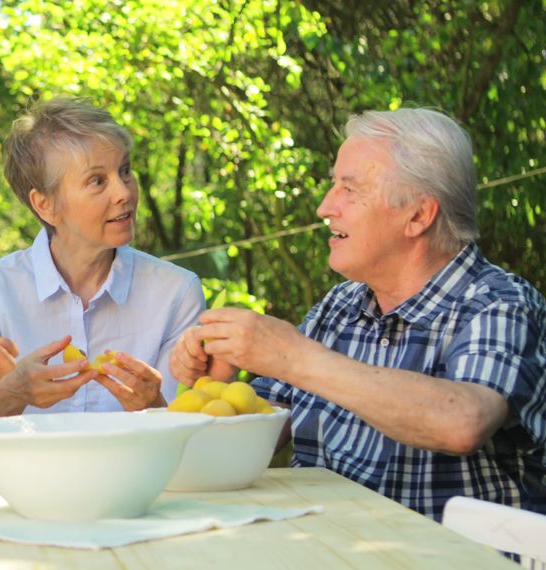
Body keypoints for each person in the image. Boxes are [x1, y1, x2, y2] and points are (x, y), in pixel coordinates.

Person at [171, 107, 546, 520]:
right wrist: (214, 389)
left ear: (418, 215)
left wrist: (295, 357)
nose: (325, 207)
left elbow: (462, 422)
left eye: (349, 189)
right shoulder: (338, 308)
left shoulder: (499, 303)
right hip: (326, 551)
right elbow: (243, 449)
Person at [0, 97, 206, 418]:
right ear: (45, 205)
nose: (125, 193)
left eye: (125, 171)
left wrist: (152, 407)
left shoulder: (177, 292)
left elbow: (187, 444)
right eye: (97, 180)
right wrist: (13, 394)